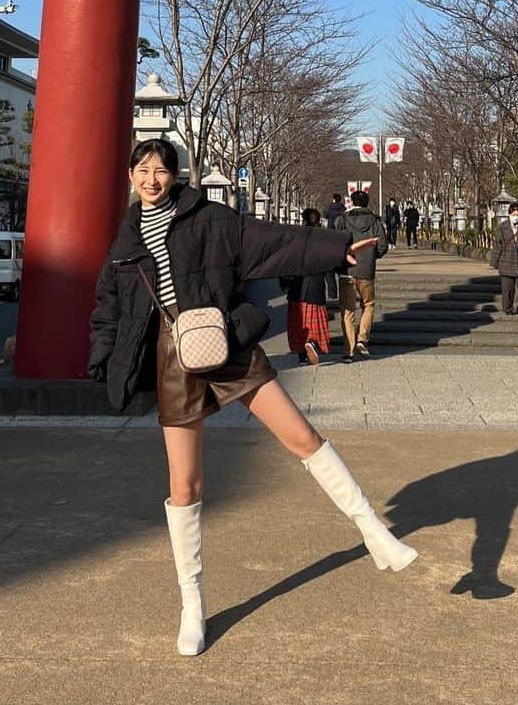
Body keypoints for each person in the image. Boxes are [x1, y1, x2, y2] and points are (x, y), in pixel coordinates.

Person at [88, 140, 417, 658]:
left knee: (302, 436)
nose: (152, 180)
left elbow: (269, 241)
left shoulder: (210, 218)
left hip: (227, 345)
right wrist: (103, 359)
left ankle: (374, 531)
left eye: (161, 171)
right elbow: (108, 306)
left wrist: (335, 248)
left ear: (177, 176)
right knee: (185, 483)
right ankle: (191, 604)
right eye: (143, 170)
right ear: (130, 174)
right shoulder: (125, 240)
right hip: (175, 360)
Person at [334, 189, 388, 361]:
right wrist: (371, 256)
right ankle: (362, 339)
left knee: (347, 311)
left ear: (352, 202)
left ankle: (348, 351)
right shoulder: (375, 221)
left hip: (346, 270)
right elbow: (383, 245)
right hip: (366, 270)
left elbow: (335, 242)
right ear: (367, 202)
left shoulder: (342, 219)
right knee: (368, 305)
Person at [281, 206, 335, 365]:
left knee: (298, 321)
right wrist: (332, 287)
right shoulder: (323, 240)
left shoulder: (295, 239)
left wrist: (283, 282)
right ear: (319, 220)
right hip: (315, 287)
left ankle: (302, 354)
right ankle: (312, 342)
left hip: (296, 288)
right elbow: (328, 264)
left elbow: (285, 262)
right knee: (315, 320)